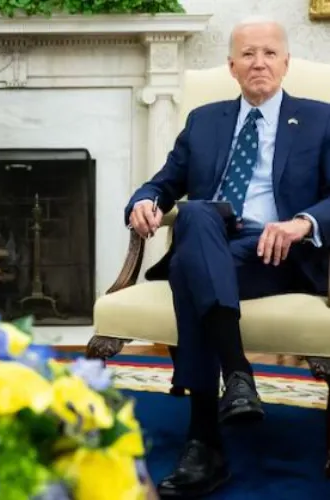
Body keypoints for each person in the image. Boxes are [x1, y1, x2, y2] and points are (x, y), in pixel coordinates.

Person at [125, 16, 330, 498]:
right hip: (213, 241)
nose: (259, 63)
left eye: (269, 53)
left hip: (279, 253)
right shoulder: (205, 121)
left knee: (188, 263)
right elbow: (163, 182)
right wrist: (144, 200)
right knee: (197, 216)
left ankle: (204, 442)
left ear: (285, 62)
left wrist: (302, 223)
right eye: (248, 54)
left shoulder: (321, 118)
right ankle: (237, 374)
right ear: (232, 65)